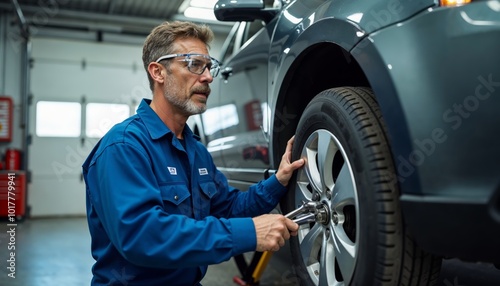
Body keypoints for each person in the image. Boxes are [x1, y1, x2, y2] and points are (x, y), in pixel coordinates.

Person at [82, 21, 305, 286]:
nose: (208, 77)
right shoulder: (124, 146)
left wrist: (277, 181)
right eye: (194, 64)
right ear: (158, 72)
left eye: (209, 66)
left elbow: (230, 208)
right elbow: (142, 236)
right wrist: (249, 233)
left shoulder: (196, 151)